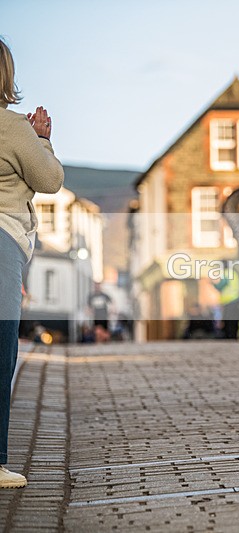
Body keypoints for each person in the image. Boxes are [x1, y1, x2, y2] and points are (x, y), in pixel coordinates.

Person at [0, 37, 64, 488]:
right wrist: (42, 141)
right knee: (1, 351)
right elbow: (50, 179)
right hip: (3, 238)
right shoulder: (11, 127)